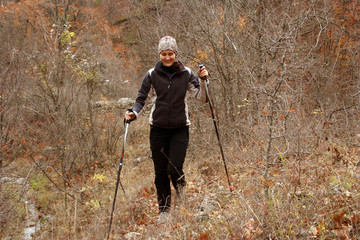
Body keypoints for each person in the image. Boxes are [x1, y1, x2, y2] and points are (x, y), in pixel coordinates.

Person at [125, 36, 209, 215]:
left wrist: (203, 80)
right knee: (160, 173)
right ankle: (164, 210)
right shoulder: (151, 75)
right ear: (160, 55)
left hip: (180, 129)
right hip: (158, 130)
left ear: (176, 54)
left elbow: (203, 98)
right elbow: (142, 99)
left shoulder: (186, 73)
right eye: (164, 54)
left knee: (174, 168)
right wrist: (134, 113)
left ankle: (182, 196)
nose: (167, 57)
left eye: (170, 53)